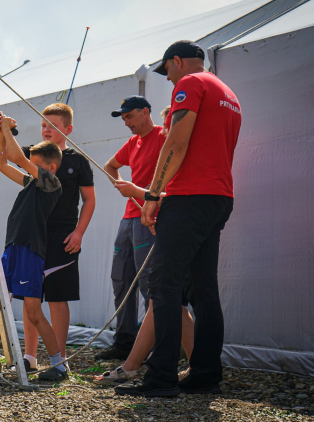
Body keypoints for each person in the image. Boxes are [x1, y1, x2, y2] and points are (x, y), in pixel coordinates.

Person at [116, 40, 242, 397]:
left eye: (167, 71)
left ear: (177, 62)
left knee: (164, 286)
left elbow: (176, 143)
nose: (168, 79)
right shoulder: (228, 92)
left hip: (189, 197)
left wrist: (153, 194)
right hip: (219, 195)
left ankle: (160, 379)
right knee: (204, 289)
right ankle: (204, 374)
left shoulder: (190, 84)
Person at [0, 113, 67, 381]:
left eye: (34, 166)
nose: (30, 169)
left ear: (49, 168)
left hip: (30, 250)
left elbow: (18, 159)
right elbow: (3, 163)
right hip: (13, 248)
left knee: (33, 312)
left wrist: (7, 126)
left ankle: (58, 364)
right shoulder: (31, 183)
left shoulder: (52, 184)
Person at [14, 103, 95, 373]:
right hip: (33, 237)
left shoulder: (77, 160)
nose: (46, 129)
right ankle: (30, 357)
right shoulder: (32, 154)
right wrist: (2, 128)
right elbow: (10, 158)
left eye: (53, 125)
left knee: (58, 299)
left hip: (64, 238)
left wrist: (79, 232)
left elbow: (89, 200)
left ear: (68, 129)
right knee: (29, 297)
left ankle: (59, 361)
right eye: (43, 124)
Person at [94, 180, 195, 384]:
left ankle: (145, 369)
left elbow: (183, 194)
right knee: (164, 296)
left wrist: (140, 193)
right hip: (180, 217)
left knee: (163, 293)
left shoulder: (177, 154)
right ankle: (197, 366)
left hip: (181, 218)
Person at [95, 96, 164, 362]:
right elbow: (110, 165)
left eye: (130, 117)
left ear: (145, 112)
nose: (127, 123)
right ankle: (124, 342)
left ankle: (155, 347)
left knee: (148, 282)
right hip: (129, 218)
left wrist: (144, 194)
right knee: (121, 278)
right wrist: (123, 185)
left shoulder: (163, 136)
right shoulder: (133, 143)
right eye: (123, 118)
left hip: (150, 217)